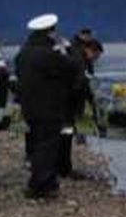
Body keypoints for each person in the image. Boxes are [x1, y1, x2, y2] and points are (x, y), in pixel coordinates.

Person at [14, 13, 81, 199]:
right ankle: (40, 185)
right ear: (50, 32)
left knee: (37, 142)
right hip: (49, 105)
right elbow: (73, 67)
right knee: (48, 144)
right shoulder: (48, 55)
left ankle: (46, 180)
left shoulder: (23, 53)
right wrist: (68, 48)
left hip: (29, 105)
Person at [58, 39, 105, 178]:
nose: (96, 59)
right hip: (67, 105)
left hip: (68, 104)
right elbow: (80, 86)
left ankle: (63, 167)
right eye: (96, 56)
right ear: (90, 50)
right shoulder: (79, 62)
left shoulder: (82, 61)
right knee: (65, 136)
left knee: (66, 135)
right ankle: (64, 169)